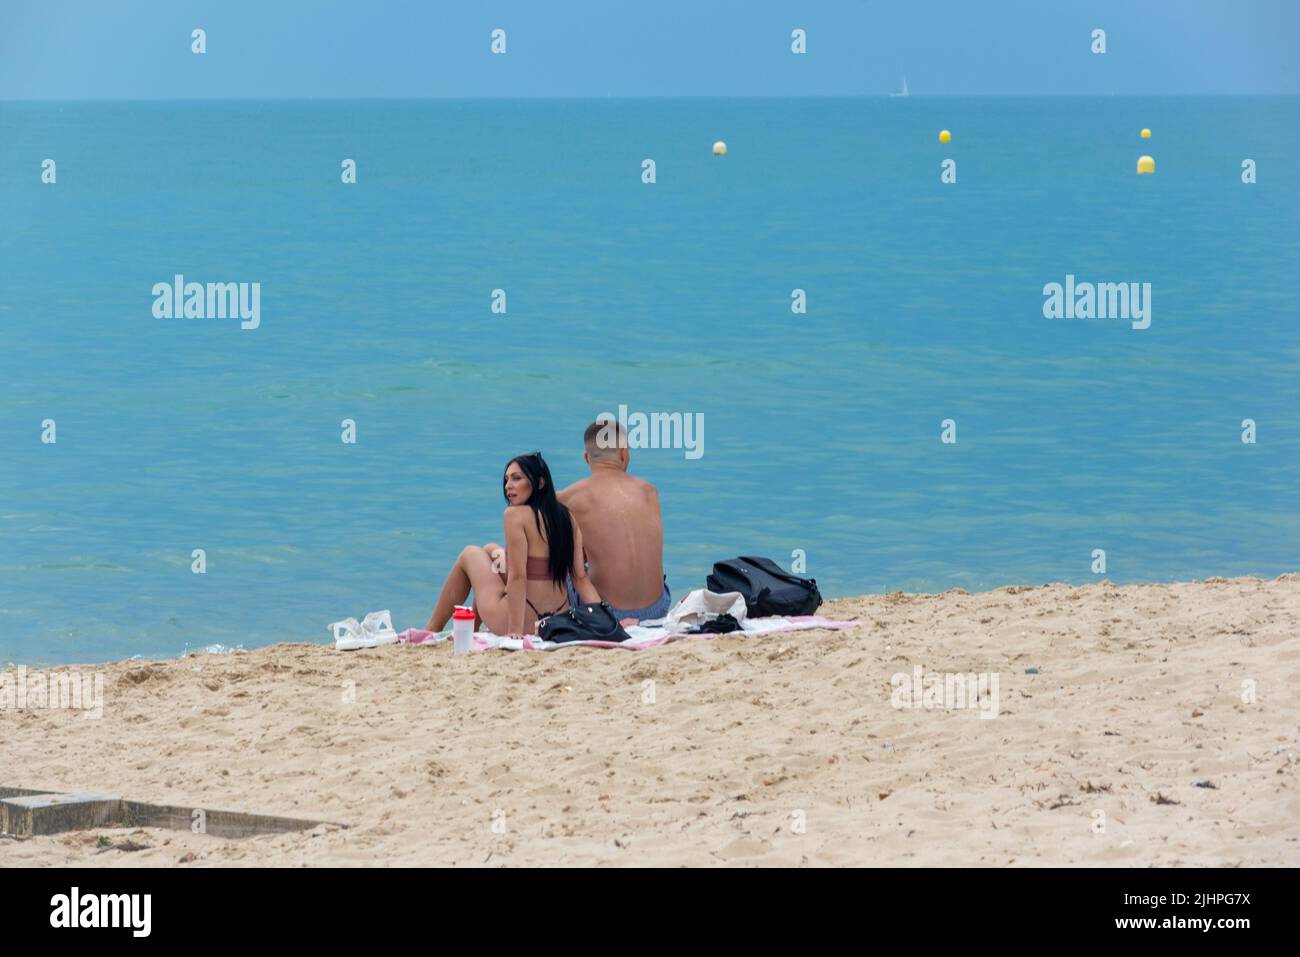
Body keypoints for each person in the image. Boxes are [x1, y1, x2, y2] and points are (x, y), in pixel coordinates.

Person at [426, 452, 599, 636]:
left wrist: (514, 632)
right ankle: (474, 629)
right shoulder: (567, 517)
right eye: (507, 479)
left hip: (524, 623)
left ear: (539, 483)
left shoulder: (515, 515)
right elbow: (580, 579)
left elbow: (518, 577)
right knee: (490, 550)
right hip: (558, 622)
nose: (508, 486)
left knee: (470, 553)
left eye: (517, 478)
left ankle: (431, 629)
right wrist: (603, 619)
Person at [557, 420, 671, 623]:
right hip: (658, 608)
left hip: (609, 613)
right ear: (623, 453)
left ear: (587, 458)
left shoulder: (569, 497)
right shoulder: (649, 492)